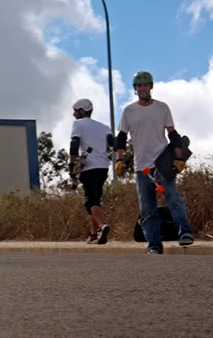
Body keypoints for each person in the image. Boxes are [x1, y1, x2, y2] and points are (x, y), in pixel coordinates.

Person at [114, 71, 195, 254]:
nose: (142, 88)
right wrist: (119, 160)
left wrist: (179, 158)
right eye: (139, 86)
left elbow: (172, 135)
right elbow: (121, 138)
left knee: (173, 199)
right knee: (147, 209)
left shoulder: (162, 108)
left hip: (161, 162)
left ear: (151, 87)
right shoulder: (129, 111)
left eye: (145, 85)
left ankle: (185, 232)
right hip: (141, 166)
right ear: (135, 89)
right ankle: (154, 245)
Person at [68, 98, 113, 244]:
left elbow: (74, 145)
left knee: (90, 200)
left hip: (89, 166)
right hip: (104, 166)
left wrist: (71, 165)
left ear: (82, 110)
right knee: (96, 200)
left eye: (75, 111)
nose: (74, 114)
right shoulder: (104, 126)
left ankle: (102, 226)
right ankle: (94, 235)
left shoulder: (78, 124)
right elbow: (114, 143)